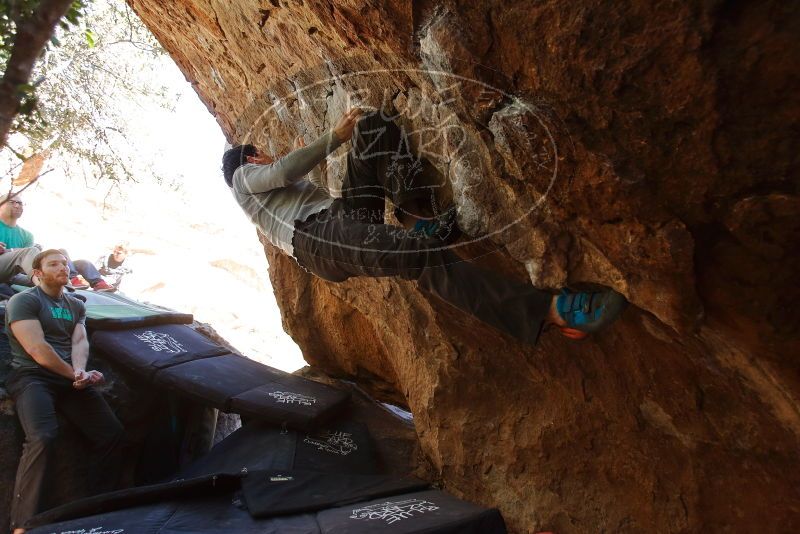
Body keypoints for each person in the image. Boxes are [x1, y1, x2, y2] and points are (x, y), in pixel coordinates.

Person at [222, 108, 627, 344]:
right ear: (252, 158)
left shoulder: (268, 198)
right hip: (320, 239)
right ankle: (550, 312)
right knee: (421, 258)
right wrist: (333, 137)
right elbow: (284, 168)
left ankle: (419, 219)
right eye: (262, 156)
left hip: (341, 218)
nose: (267, 158)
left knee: (373, 128)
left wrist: (350, 137)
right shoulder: (242, 178)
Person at [4, 249, 124, 533]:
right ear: (37, 273)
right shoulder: (24, 301)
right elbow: (37, 350)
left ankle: (94, 508)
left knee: (112, 433)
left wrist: (80, 372)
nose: (62, 267)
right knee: (43, 437)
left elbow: (79, 342)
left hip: (69, 379)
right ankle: (23, 524)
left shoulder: (75, 304)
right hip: (31, 376)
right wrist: (74, 374)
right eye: (53, 263)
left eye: (65, 263)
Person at [0, 194, 113, 291]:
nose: (17, 205)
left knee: (64, 256)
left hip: (16, 276)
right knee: (32, 252)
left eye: (20, 203)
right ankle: (49, 292)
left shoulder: (26, 235)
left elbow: (27, 265)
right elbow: (25, 255)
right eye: (12, 202)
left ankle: (88, 283)